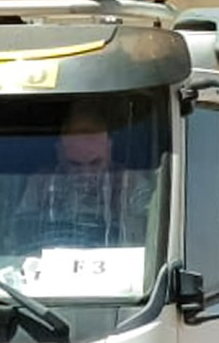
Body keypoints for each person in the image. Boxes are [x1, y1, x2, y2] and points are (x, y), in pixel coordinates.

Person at [17, 104, 153, 251]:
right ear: (60, 153)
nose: (86, 173)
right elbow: (22, 235)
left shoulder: (132, 184)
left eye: (95, 163)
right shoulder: (41, 183)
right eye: (75, 164)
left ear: (108, 150)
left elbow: (146, 241)